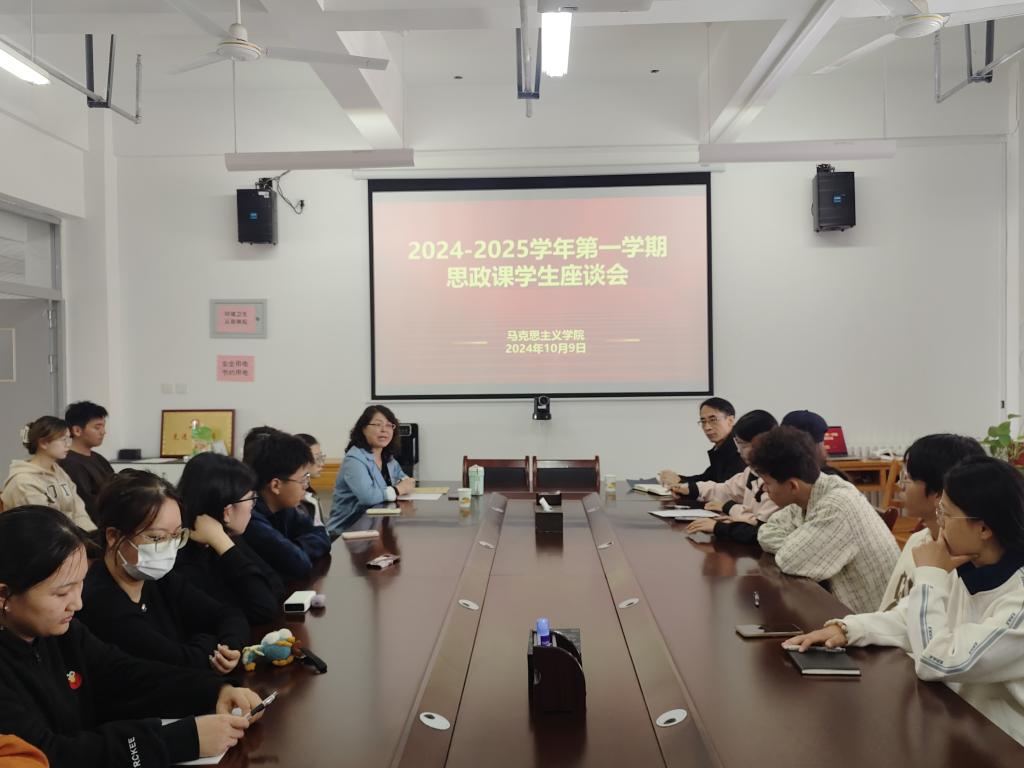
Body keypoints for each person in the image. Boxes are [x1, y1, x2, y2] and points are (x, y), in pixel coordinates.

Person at [0, 505, 262, 768]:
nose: (77, 603)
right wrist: (175, 741)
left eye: (80, 584)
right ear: (4, 596)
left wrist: (215, 691)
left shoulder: (62, 633)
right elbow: (50, 755)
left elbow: (126, 675)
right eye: (61, 593)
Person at [787, 456, 1024, 746]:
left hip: (1004, 742)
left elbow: (939, 661)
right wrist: (848, 629)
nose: (938, 523)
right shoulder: (969, 565)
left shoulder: (1018, 599)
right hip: (959, 720)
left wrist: (930, 576)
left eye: (946, 515)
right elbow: (908, 618)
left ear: (984, 529)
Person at [77, 471, 249, 674]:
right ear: (113, 536)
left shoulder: (159, 579)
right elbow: (179, 664)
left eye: (176, 535)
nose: (169, 547)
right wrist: (210, 643)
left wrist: (229, 646)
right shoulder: (100, 600)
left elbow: (229, 615)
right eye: (157, 538)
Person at [753, 426, 899, 614]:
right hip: (840, 610)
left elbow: (791, 561)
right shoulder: (809, 493)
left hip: (872, 620)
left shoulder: (837, 505)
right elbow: (766, 531)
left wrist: (798, 545)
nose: (765, 490)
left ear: (792, 486)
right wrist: (799, 542)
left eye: (767, 483)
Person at [877, 434, 986, 610]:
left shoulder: (961, 566)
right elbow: (891, 610)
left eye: (908, 478)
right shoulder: (919, 539)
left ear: (939, 493)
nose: (901, 485)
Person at [175, 453, 285, 625]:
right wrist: (223, 544)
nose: (252, 506)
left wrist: (223, 542)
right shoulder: (184, 560)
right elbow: (264, 607)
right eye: (251, 498)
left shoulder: (227, 537)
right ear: (227, 511)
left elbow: (277, 587)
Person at [242, 432, 331, 581]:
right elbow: (298, 563)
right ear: (276, 485)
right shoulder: (249, 517)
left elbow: (322, 535)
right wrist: (293, 550)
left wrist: (293, 547)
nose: (306, 486)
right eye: (303, 480)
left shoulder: (284, 507)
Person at [684, 410, 779, 545]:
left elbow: (761, 529)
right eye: (737, 443)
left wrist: (727, 513)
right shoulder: (752, 470)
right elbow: (726, 489)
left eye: (742, 444)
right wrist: (690, 488)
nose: (739, 450)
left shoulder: (779, 478)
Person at [328, 406, 416, 536]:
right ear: (363, 429)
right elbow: (368, 497)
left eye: (389, 425)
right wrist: (397, 490)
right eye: (378, 424)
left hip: (376, 526)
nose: (384, 430)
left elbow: (405, 480)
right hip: (347, 531)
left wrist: (405, 484)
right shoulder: (354, 459)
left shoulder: (388, 458)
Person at [1, 417, 94, 531]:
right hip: (45, 539)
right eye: (63, 439)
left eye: (69, 438)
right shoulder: (23, 481)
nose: (68, 445)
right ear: (44, 443)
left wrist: (92, 535)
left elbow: (78, 510)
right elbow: (42, 527)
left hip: (70, 536)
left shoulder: (58, 471)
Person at [660, 397, 745, 492]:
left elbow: (724, 489)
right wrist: (679, 479)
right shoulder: (721, 447)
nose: (707, 427)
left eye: (713, 420)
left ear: (730, 420)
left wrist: (682, 483)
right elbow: (707, 478)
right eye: (703, 421)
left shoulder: (740, 448)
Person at [58, 401, 114, 524]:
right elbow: (86, 505)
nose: (103, 432)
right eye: (97, 427)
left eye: (103, 427)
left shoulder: (98, 458)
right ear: (77, 430)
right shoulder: (70, 463)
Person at [295, 433, 327, 527]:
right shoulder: (295, 498)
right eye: (317, 458)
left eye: (321, 457)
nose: (321, 464)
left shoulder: (311, 495)